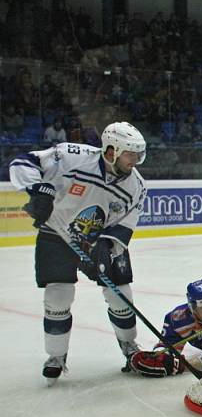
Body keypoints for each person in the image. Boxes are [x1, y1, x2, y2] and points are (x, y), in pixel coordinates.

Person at [9, 122, 147, 385]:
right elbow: (23, 163)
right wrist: (38, 191)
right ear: (111, 151)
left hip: (99, 240)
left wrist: (104, 251)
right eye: (131, 154)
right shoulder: (71, 156)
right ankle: (56, 356)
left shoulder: (136, 186)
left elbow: (125, 224)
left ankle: (129, 345)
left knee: (121, 295)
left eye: (138, 154)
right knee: (58, 296)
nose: (136, 161)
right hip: (55, 234)